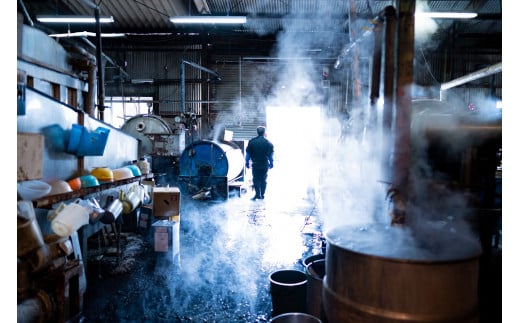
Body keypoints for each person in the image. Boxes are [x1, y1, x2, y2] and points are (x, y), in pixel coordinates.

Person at [245, 126, 274, 200]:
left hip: (255, 164)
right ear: (264, 132)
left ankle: (257, 194)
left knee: (256, 179)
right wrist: (271, 163)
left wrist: (247, 162)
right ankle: (262, 195)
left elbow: (248, 153)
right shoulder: (268, 143)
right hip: (264, 164)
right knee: (263, 179)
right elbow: (270, 155)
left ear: (257, 132)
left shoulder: (252, 142)